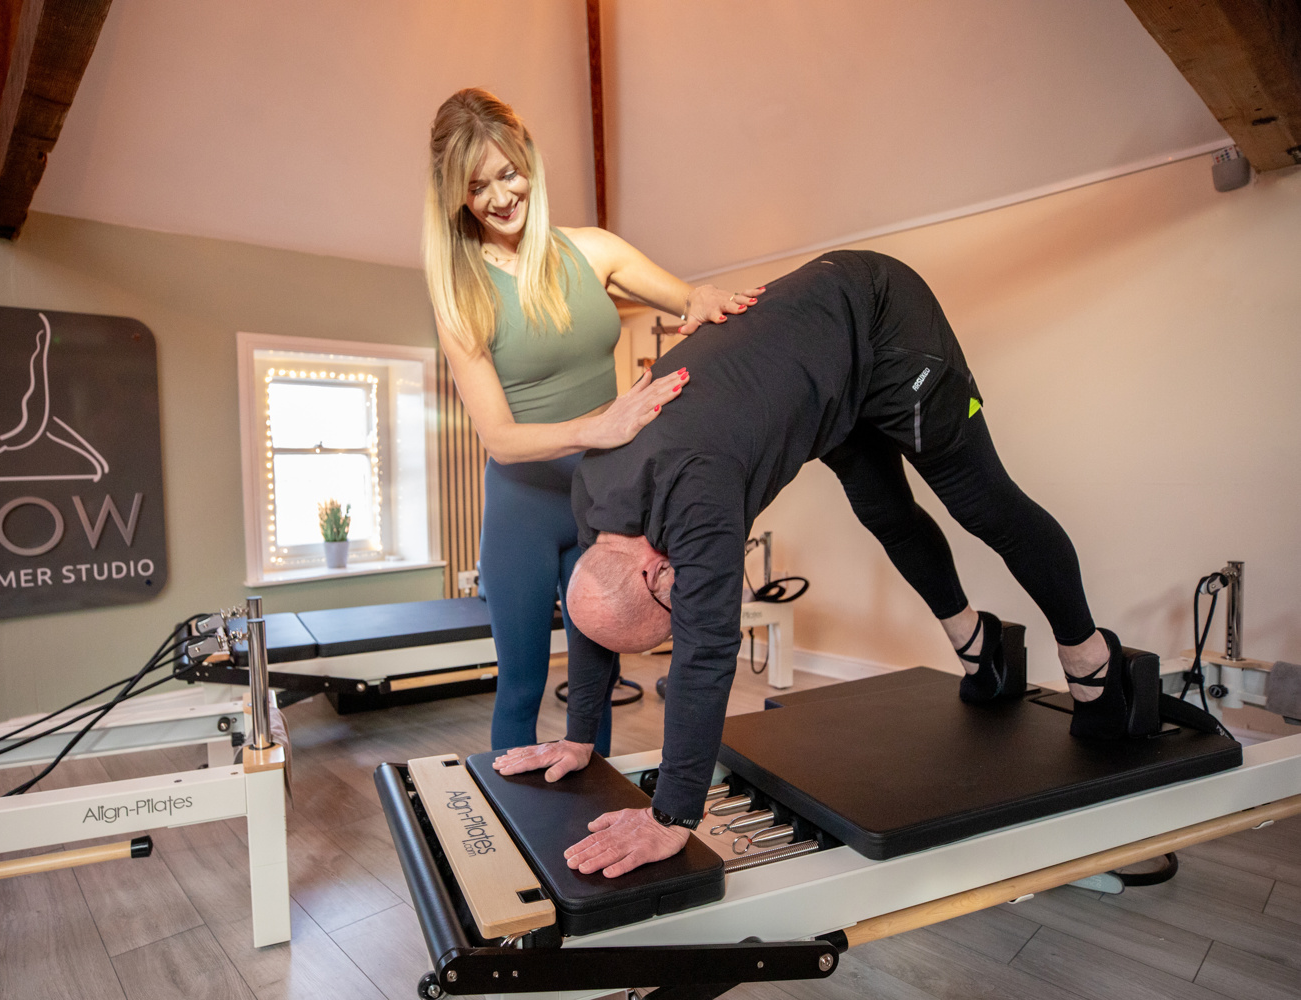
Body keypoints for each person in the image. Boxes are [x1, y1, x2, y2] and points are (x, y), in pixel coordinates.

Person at [493, 249, 1151, 878]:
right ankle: (978, 643)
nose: (683, 594)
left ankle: (1090, 657)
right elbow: (593, 607)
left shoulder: (697, 497)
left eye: (673, 602)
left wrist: (673, 812)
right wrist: (580, 736)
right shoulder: (595, 493)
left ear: (657, 577)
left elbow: (707, 647)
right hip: (828, 359)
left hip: (884, 319)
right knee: (884, 510)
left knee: (983, 503)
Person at [423, 88, 763, 755]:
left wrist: (708, 299)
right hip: (523, 509)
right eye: (477, 186)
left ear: (529, 162)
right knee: (521, 686)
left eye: (507, 173)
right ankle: (512, 840)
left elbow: (688, 296)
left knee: (594, 681)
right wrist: (597, 426)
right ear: (456, 195)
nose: (499, 196)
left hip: (604, 505)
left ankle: (594, 816)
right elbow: (498, 437)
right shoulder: (459, 291)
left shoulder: (593, 251)